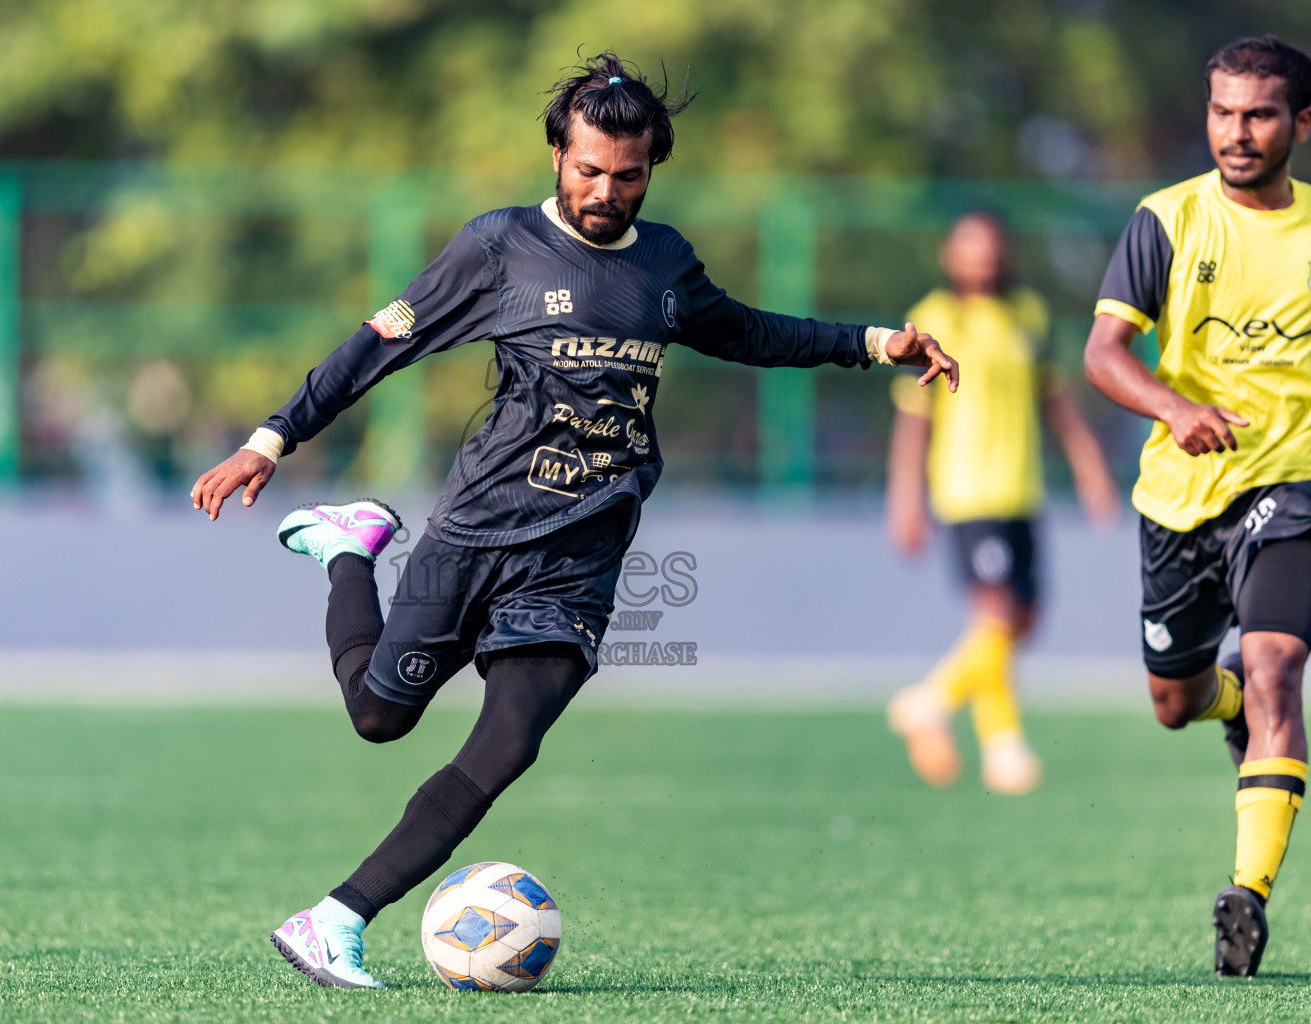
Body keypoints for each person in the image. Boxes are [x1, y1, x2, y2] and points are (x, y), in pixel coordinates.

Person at [190, 52, 958, 990]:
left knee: (509, 740)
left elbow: (749, 332)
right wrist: (272, 441)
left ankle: (335, 918)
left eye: (626, 175)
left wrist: (873, 342)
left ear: (650, 170)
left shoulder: (665, 265)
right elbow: (377, 345)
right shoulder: (497, 246)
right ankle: (350, 549)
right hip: (476, 528)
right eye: (588, 169)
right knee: (379, 716)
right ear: (557, 152)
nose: (605, 191)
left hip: (582, 551)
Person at [1083, 36, 1311, 977]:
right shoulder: (1166, 220)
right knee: (1174, 701)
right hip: (1178, 502)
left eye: (1259, 113)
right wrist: (1176, 409)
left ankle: (1246, 895)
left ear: (1302, 123)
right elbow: (1103, 356)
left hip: (1291, 487)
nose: (1237, 132)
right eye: (1223, 112)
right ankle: (1221, 708)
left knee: (1277, 670)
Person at [885, 212, 1118, 795]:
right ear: (950, 255)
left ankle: (932, 700)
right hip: (965, 491)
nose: (982, 259)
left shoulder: (1028, 315)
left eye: (990, 248)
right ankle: (1003, 746)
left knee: (1022, 619)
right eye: (970, 248)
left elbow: (1057, 400)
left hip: (1022, 489)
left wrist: (1090, 470)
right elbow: (913, 419)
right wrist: (905, 497)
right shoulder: (934, 317)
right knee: (995, 613)